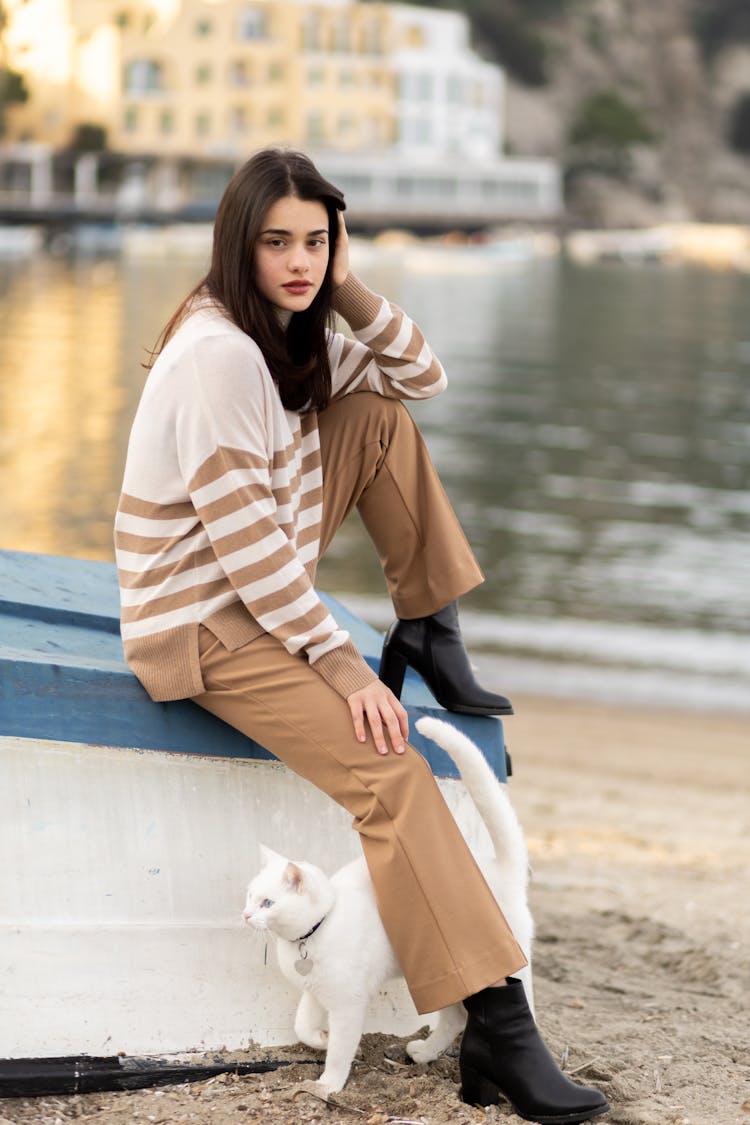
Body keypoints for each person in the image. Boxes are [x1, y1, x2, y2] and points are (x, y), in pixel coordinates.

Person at [115, 147, 609, 1123]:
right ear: (237, 247)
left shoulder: (294, 328)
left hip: (255, 591)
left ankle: (428, 622)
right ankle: (499, 1028)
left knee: (378, 410)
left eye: (317, 241)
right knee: (391, 770)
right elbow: (251, 559)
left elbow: (422, 375)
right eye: (277, 243)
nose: (300, 262)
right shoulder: (218, 355)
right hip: (201, 620)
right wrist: (344, 667)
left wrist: (345, 288)